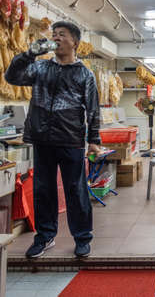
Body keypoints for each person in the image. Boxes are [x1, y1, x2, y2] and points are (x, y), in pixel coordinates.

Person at [5, 21, 101, 258]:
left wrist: (94, 140)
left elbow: (93, 109)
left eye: (62, 35)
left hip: (71, 140)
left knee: (76, 190)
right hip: (42, 138)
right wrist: (28, 54)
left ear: (75, 42)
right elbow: (11, 77)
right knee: (43, 191)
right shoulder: (40, 68)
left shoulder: (84, 74)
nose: (56, 38)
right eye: (54, 34)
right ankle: (45, 237)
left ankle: (82, 238)